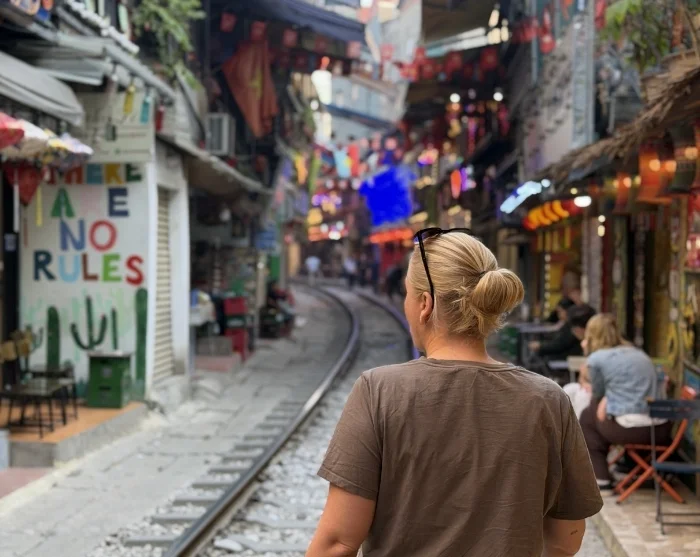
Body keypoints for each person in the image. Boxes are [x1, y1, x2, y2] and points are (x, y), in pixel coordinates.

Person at [307, 229, 603, 557]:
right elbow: (565, 540)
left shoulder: (378, 391)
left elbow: (336, 544)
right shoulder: (548, 399)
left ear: (425, 304)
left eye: (407, 293)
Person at [579, 314, 673, 490]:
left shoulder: (597, 359)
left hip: (628, 430)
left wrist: (604, 399)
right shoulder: (639, 353)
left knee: (587, 417)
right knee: (600, 413)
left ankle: (601, 477)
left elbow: (597, 393)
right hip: (660, 429)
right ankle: (632, 466)